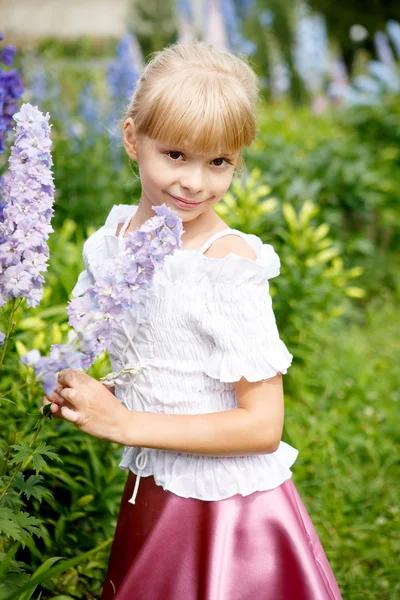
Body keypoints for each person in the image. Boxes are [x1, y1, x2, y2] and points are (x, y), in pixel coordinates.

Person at [42, 42, 343, 600]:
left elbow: (261, 427)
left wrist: (125, 424)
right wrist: (80, 389)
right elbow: (149, 357)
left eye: (218, 161)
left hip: (225, 510)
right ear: (133, 139)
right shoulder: (109, 246)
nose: (195, 183)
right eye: (175, 154)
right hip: (154, 486)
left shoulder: (225, 266)